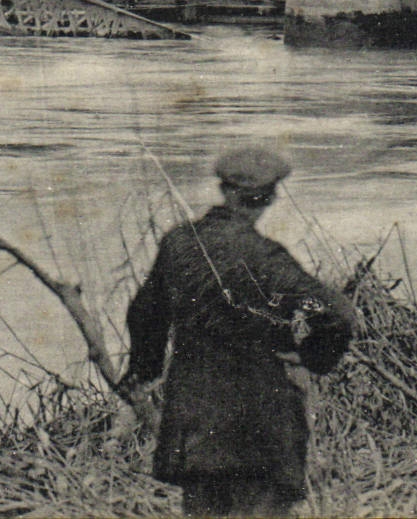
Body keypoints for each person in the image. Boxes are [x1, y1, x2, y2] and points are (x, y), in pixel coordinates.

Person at [123, 147, 356, 517]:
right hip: (262, 423)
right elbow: (338, 313)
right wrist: (312, 355)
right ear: (271, 197)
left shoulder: (179, 244)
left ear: (224, 190)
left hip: (196, 420)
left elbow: (144, 314)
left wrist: (145, 369)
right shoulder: (265, 256)